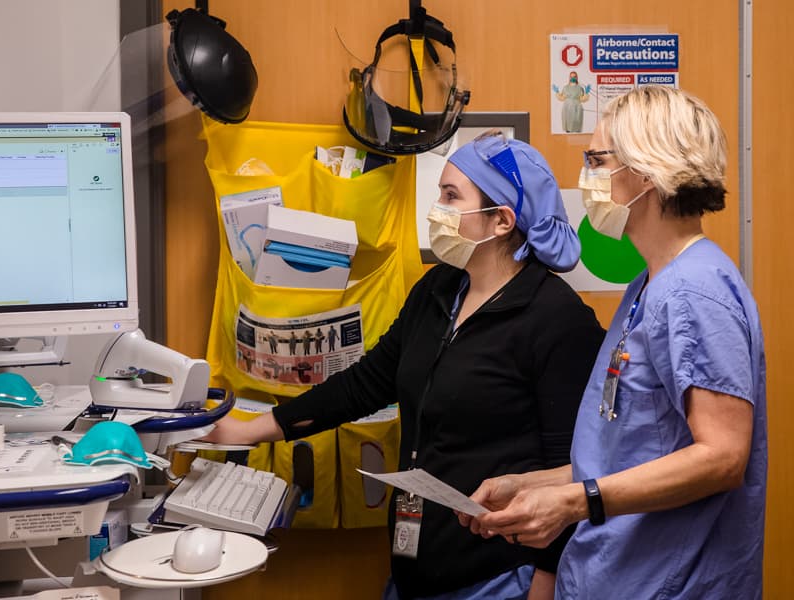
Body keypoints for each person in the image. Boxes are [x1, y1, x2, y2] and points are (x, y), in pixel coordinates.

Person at [202, 132, 604, 600]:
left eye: (451, 196)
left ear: (500, 220)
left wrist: (547, 583)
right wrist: (252, 430)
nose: (438, 208)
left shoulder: (556, 318)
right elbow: (366, 384)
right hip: (415, 567)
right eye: (440, 193)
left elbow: (572, 472)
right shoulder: (438, 290)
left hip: (499, 577)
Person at [459, 86, 767, 599]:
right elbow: (632, 449)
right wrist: (537, 485)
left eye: (597, 160)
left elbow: (722, 456)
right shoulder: (650, 284)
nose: (587, 176)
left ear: (648, 172)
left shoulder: (696, 291)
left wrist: (576, 503)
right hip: (616, 574)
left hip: (669, 583)